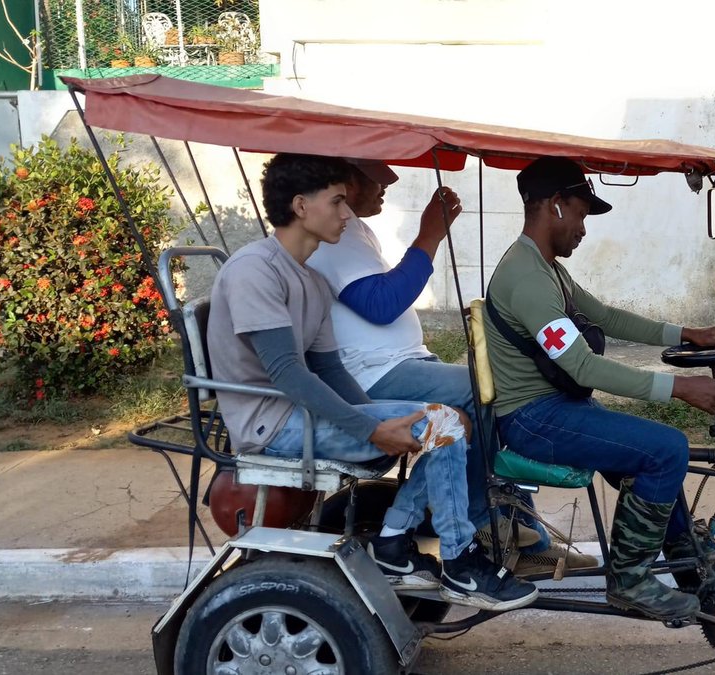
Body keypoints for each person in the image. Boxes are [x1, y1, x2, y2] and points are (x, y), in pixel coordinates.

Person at [206, 152, 536, 611]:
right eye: (337, 202)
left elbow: (330, 369)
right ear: (301, 206)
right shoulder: (254, 270)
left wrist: (380, 416)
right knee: (447, 424)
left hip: (303, 413)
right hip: (274, 426)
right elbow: (287, 372)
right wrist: (372, 428)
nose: (347, 214)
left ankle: (395, 541)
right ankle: (460, 561)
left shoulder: (310, 279)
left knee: (450, 422)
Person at [306, 158, 596, 574]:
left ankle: (521, 532)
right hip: (374, 374)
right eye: (377, 178)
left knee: (497, 392)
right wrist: (430, 233)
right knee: (486, 392)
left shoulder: (354, 228)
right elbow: (381, 303)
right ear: (347, 181)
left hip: (400, 362)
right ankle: (486, 522)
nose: (389, 184)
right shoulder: (338, 232)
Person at [484, 156, 715, 621]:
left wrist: (686, 333)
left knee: (657, 463)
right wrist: (678, 387)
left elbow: (605, 316)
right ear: (555, 206)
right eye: (580, 213)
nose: (583, 228)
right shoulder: (525, 277)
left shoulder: (546, 268)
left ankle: (706, 589)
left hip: (554, 408)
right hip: (533, 419)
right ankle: (630, 582)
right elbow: (581, 366)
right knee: (666, 450)